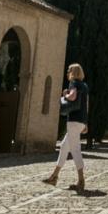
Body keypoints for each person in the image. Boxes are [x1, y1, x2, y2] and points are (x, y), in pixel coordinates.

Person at [42, 64, 88, 192]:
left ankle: (81, 180)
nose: (67, 72)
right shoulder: (84, 85)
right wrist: (86, 123)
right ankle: (54, 176)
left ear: (73, 72)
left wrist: (64, 95)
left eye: (69, 70)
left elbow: (72, 97)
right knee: (63, 146)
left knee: (75, 150)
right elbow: (86, 104)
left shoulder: (74, 83)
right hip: (81, 121)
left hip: (73, 121)